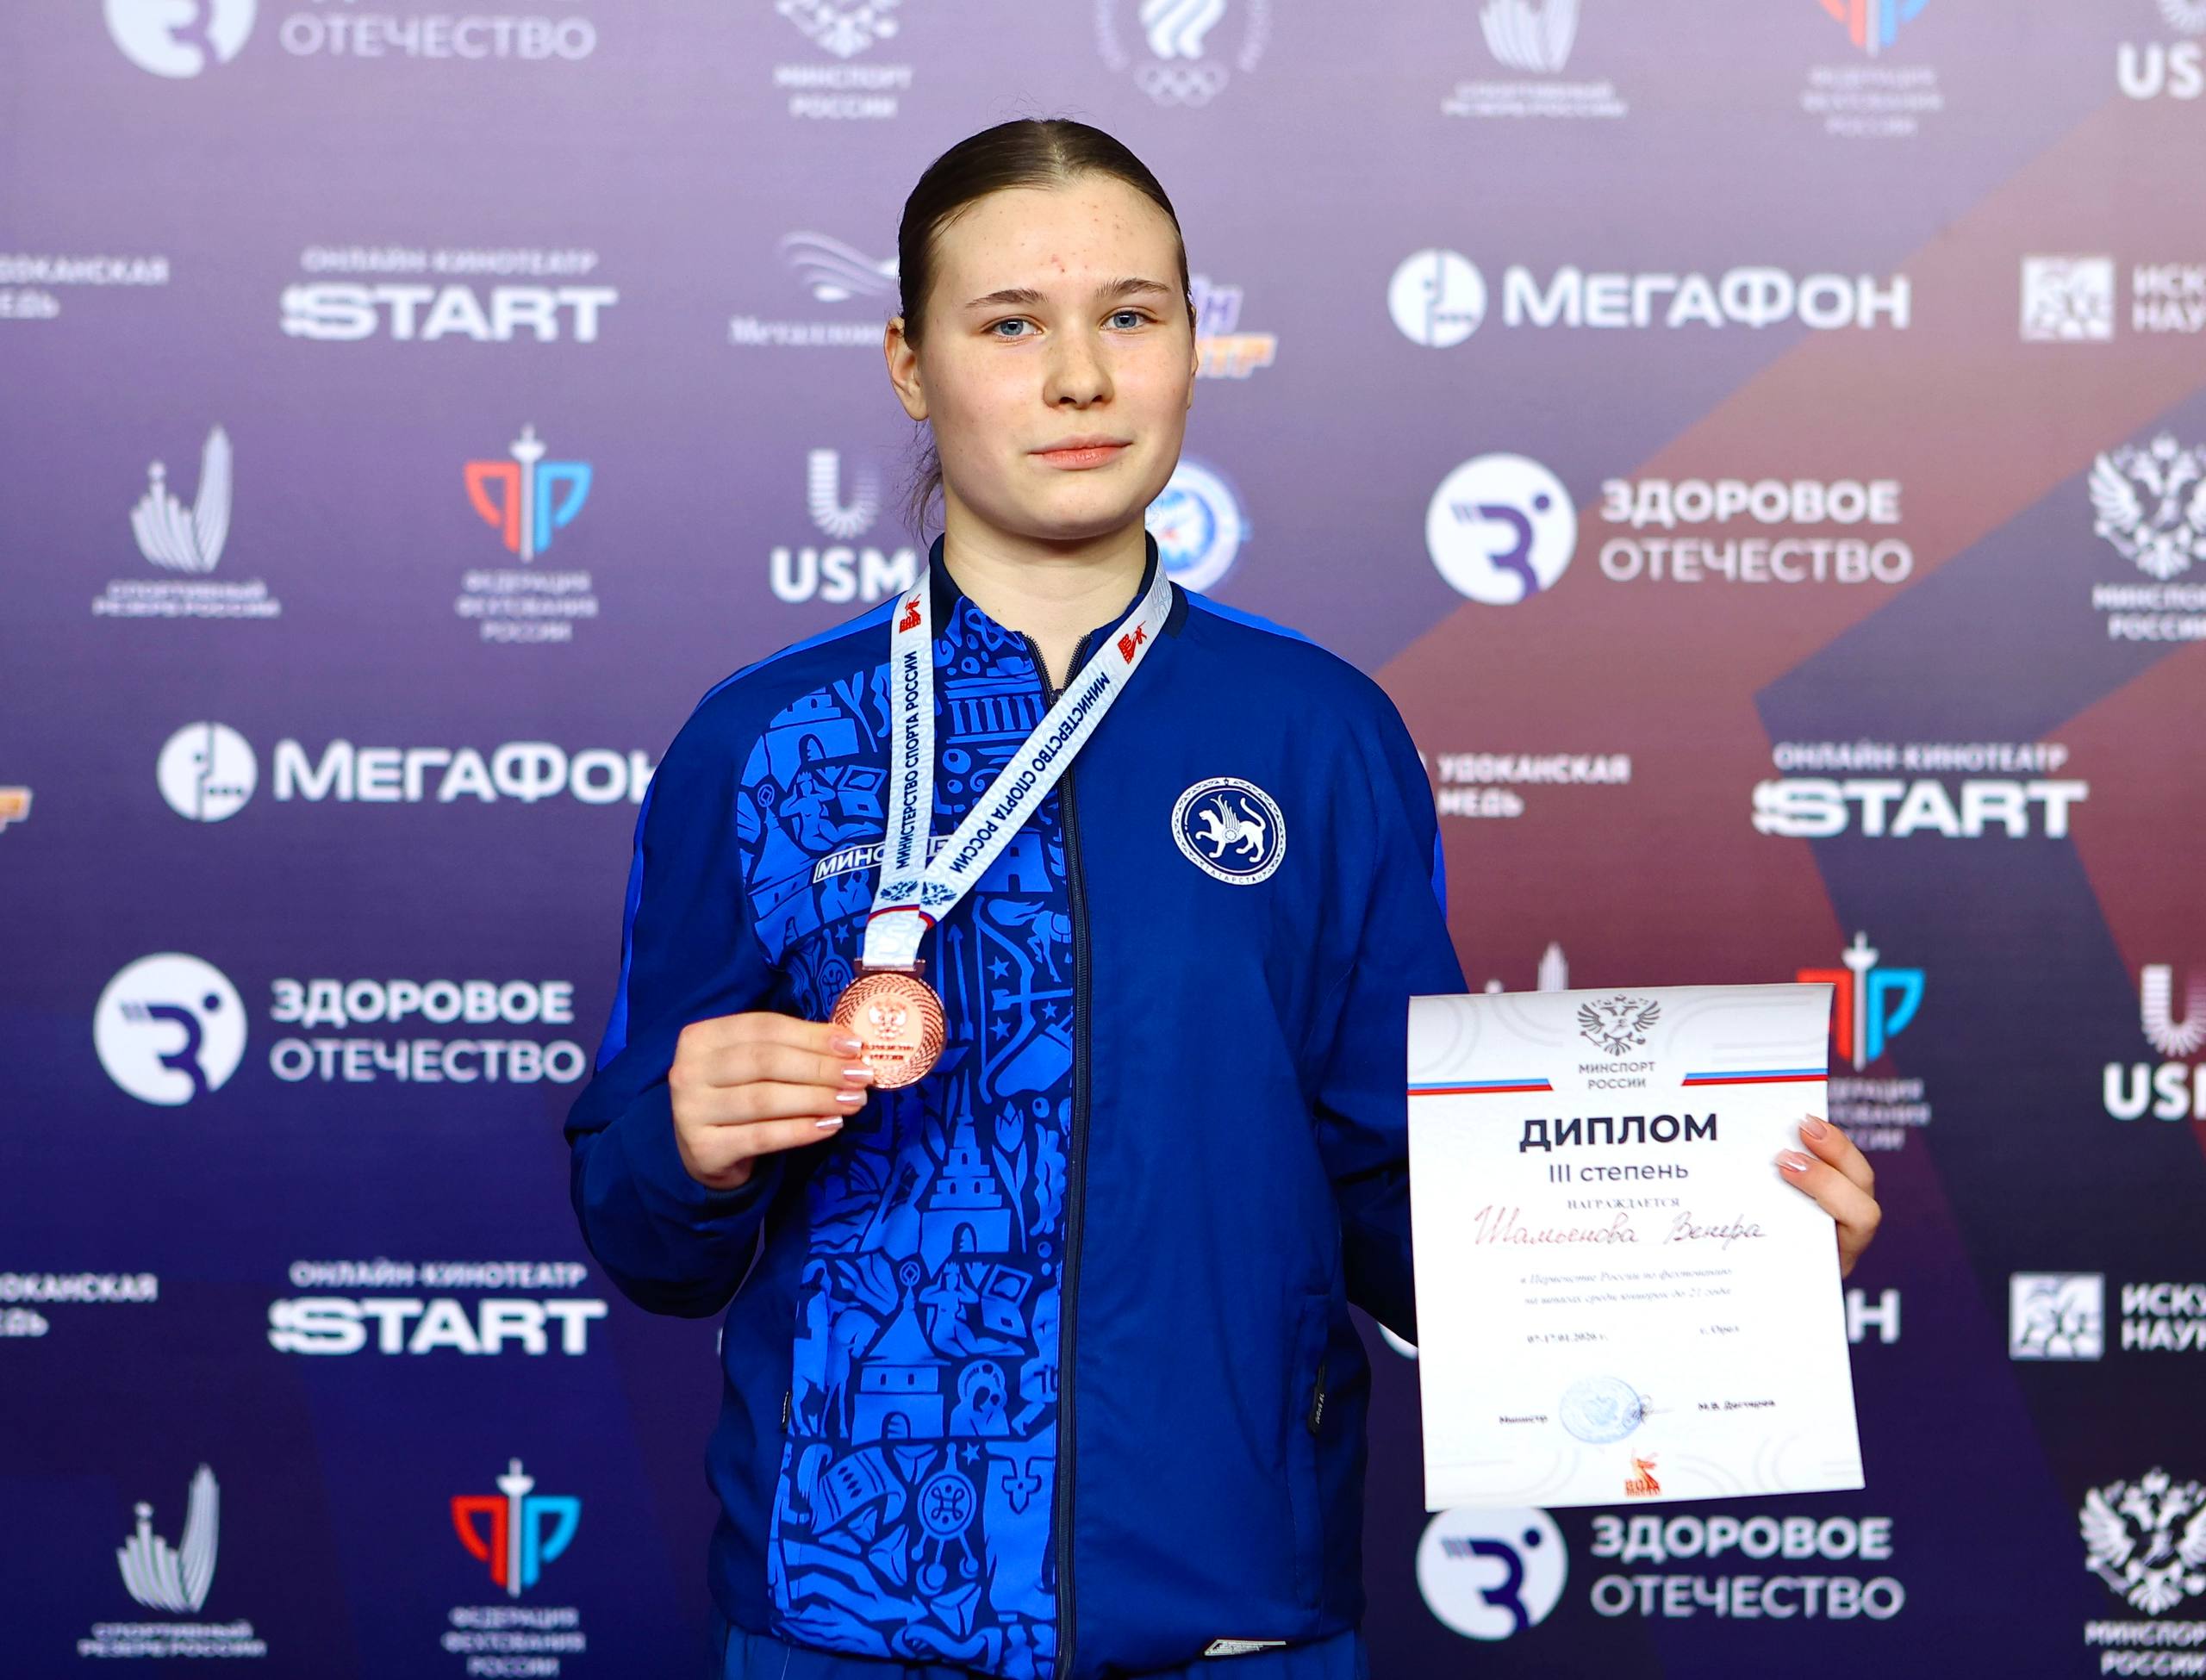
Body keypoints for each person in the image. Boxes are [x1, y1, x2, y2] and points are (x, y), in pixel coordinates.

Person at [564, 117, 1882, 1680]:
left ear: (1194, 343)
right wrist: (681, 1141)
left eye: (1130, 315)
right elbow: (648, 1241)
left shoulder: (1318, 733)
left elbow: (1395, 1196)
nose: (1081, 378)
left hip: (1234, 1616)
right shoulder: (764, 742)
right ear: (910, 364)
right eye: (1011, 325)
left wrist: (1717, 1260)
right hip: (842, 1619)